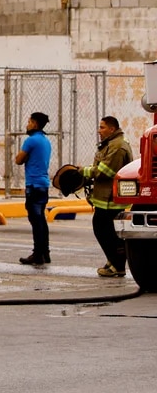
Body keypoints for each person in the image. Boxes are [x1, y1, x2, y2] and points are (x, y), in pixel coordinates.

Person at [82, 116, 133, 277]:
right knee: (107, 232)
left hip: (111, 200)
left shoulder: (117, 147)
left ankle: (117, 264)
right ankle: (113, 262)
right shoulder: (111, 144)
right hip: (105, 198)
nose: (99, 130)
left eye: (102, 127)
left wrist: (82, 171)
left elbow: (106, 171)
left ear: (112, 129)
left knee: (105, 231)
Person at [15, 112, 53, 266]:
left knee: (36, 220)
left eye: (30, 121)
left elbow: (18, 160)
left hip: (33, 185)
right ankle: (45, 252)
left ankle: (38, 254)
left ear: (35, 124)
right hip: (43, 185)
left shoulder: (31, 141)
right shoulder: (45, 141)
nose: (27, 124)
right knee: (41, 220)